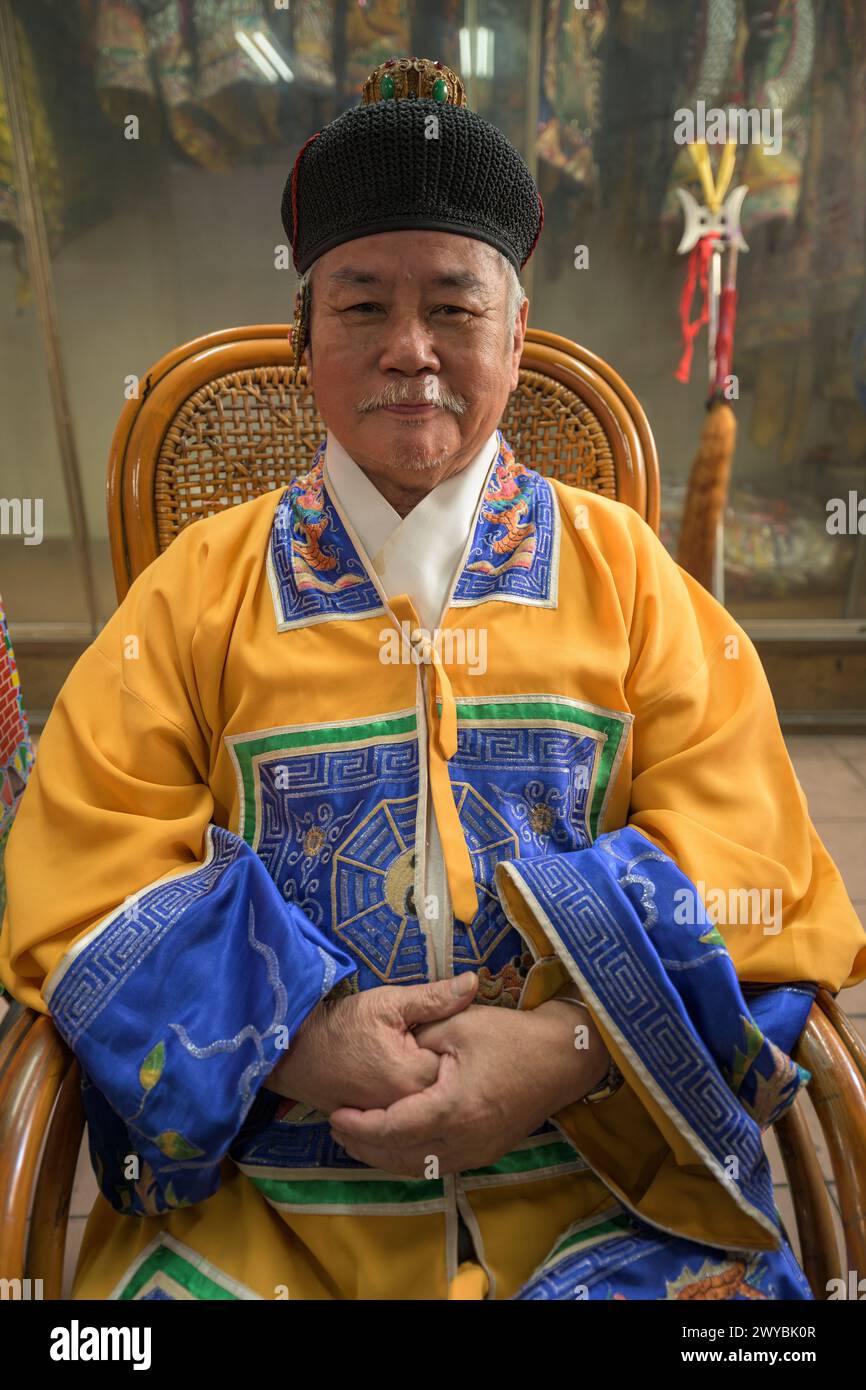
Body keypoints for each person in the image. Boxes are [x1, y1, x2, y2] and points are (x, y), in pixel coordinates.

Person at [1, 56, 864, 1303]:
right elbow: (76, 870)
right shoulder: (197, 590)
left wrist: (565, 1045)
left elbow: (758, 872)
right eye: (359, 307)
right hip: (266, 1204)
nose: (409, 351)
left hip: (600, 1179)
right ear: (306, 339)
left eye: (453, 308)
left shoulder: (624, 576)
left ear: (517, 334)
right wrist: (293, 1036)